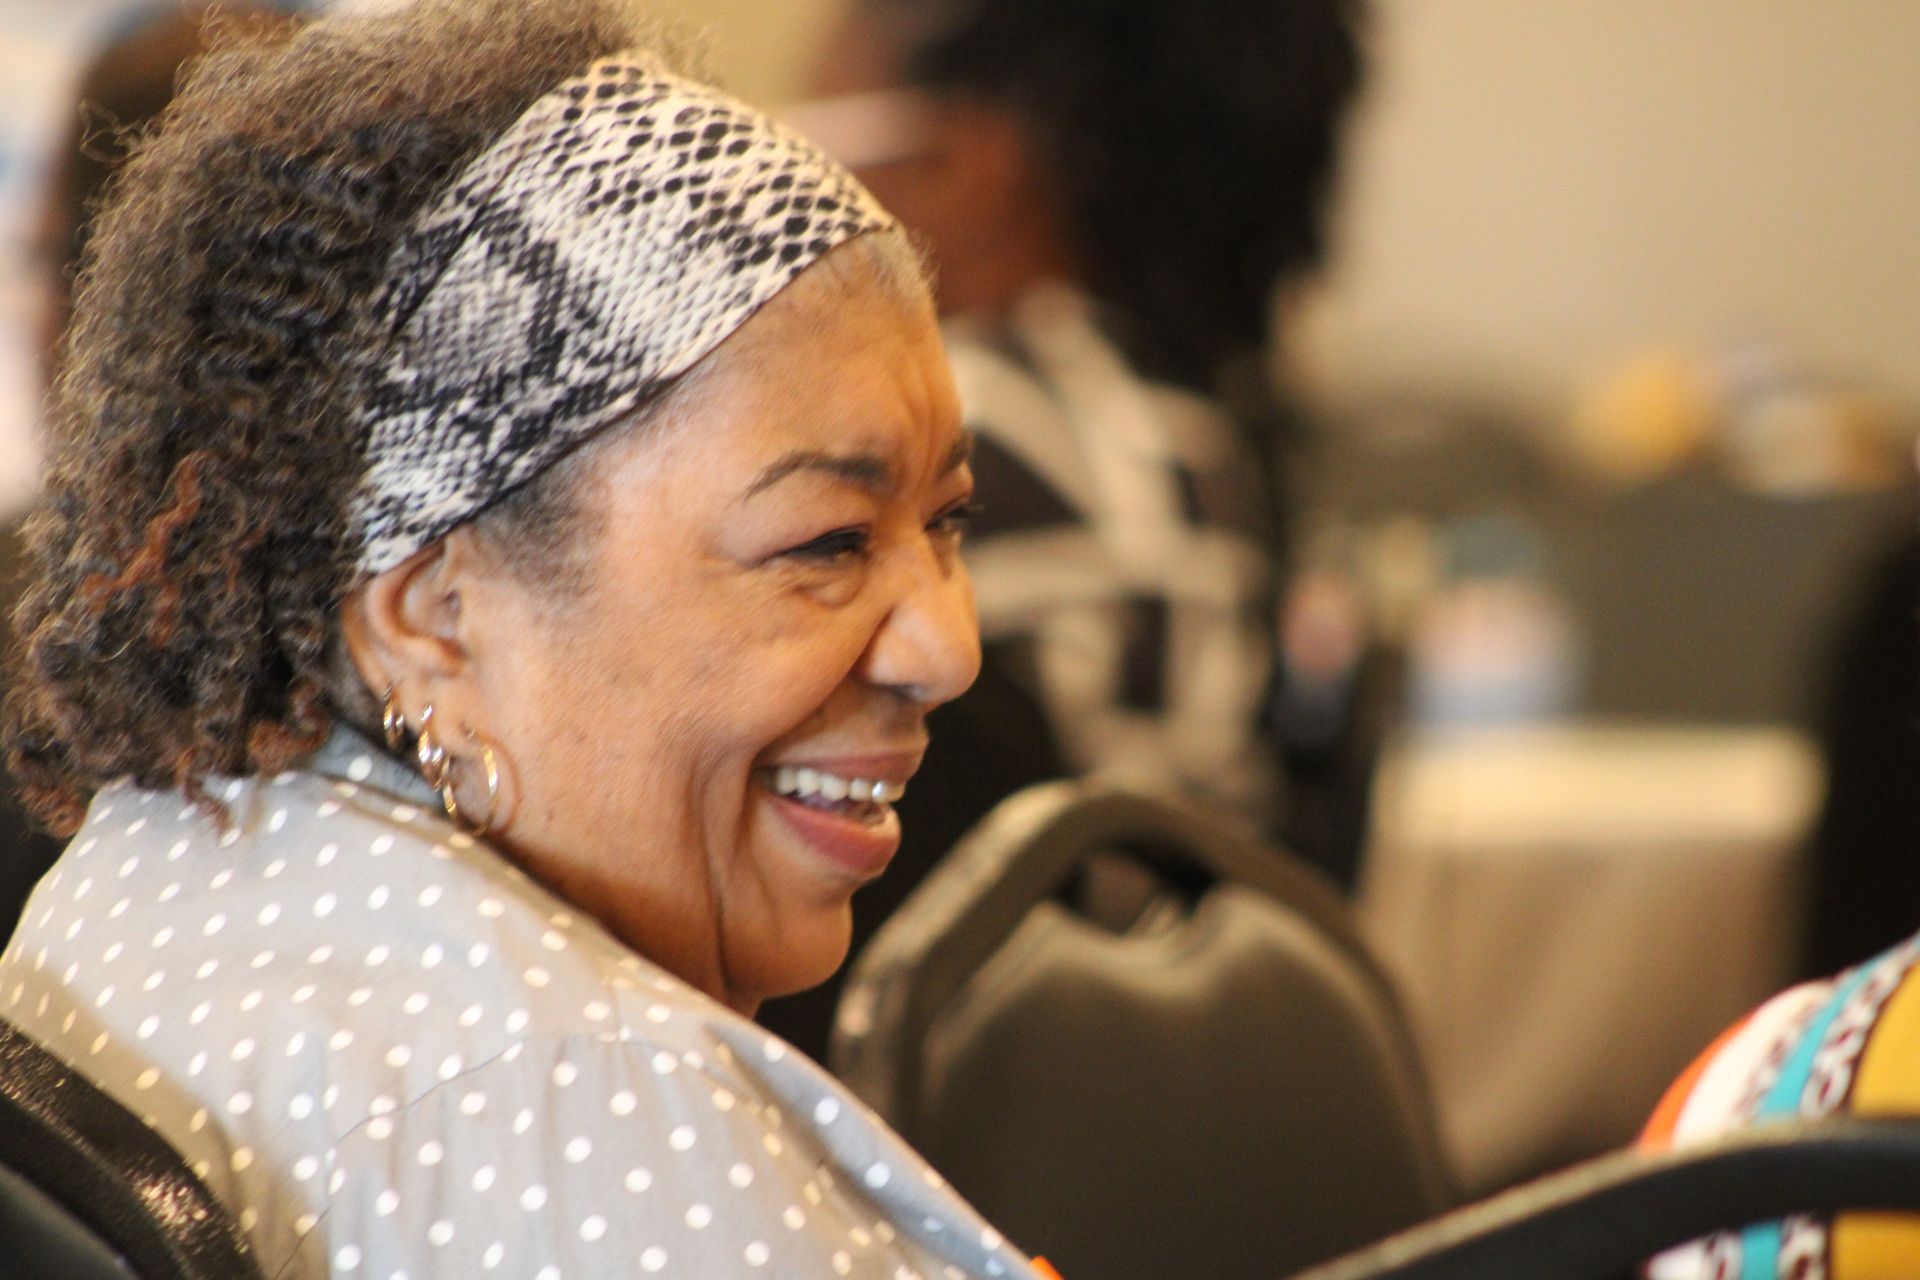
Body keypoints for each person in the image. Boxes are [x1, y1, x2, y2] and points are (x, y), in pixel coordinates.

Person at [0, 1, 1048, 1275]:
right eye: (826, 543)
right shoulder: (597, 1106)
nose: (947, 645)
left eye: (947, 520)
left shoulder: (161, 855)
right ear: (433, 611)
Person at [760, 0, 1367, 1057]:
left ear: (974, 163)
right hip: (1181, 1093)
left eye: (818, 124)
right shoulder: (1205, 438)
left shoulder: (941, 436)